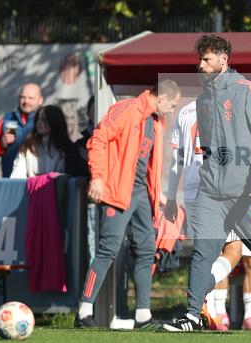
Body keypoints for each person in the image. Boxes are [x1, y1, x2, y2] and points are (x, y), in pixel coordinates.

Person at [161, 34, 251, 332]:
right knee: (203, 252)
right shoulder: (203, 99)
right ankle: (192, 316)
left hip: (246, 193)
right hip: (212, 193)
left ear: (223, 59)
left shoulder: (248, 90)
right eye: (199, 60)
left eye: (206, 59)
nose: (200, 65)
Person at [75, 80, 181, 328]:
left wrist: (159, 193)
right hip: (117, 191)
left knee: (146, 250)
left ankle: (143, 316)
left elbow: (147, 163)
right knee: (108, 250)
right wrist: (98, 178)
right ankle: (84, 311)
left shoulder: (155, 122)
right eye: (172, 105)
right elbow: (98, 138)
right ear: (162, 98)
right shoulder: (128, 109)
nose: (172, 110)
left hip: (141, 194)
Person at [163, 97, 251, 331]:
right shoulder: (230, 107)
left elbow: (177, 161)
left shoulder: (185, 111)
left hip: (191, 190)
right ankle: (202, 298)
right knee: (233, 250)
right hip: (219, 190)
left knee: (207, 253)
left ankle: (210, 311)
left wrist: (170, 198)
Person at [0, 82, 43, 177]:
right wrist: (1, 144)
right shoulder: (9, 119)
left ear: (40, 100)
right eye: (22, 97)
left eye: (31, 98)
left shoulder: (46, 120)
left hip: (38, 183)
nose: (26, 101)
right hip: (11, 181)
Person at [10, 105, 72, 178]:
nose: (39, 122)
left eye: (44, 119)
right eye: (38, 119)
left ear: (55, 121)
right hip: (31, 188)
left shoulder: (68, 149)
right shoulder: (28, 147)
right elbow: (17, 176)